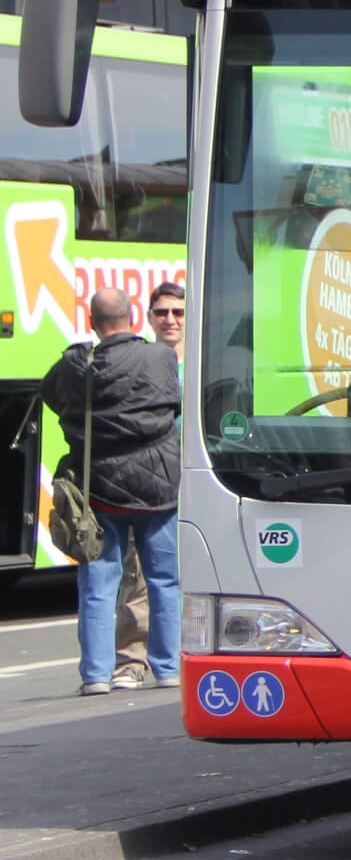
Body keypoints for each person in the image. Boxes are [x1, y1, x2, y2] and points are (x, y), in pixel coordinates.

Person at [42, 288, 181, 696]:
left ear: (91, 322)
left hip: (99, 488)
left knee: (99, 584)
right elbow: (171, 403)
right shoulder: (160, 357)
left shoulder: (75, 365)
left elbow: (50, 394)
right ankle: (168, 668)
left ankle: (96, 676)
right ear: (135, 316)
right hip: (158, 487)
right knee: (164, 580)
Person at [108, 282, 184, 689]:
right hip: (149, 487)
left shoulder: (204, 365)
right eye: (162, 312)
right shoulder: (136, 365)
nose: (170, 320)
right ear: (148, 317)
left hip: (196, 484)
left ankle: (183, 658)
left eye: (178, 312)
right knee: (138, 578)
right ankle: (132, 663)